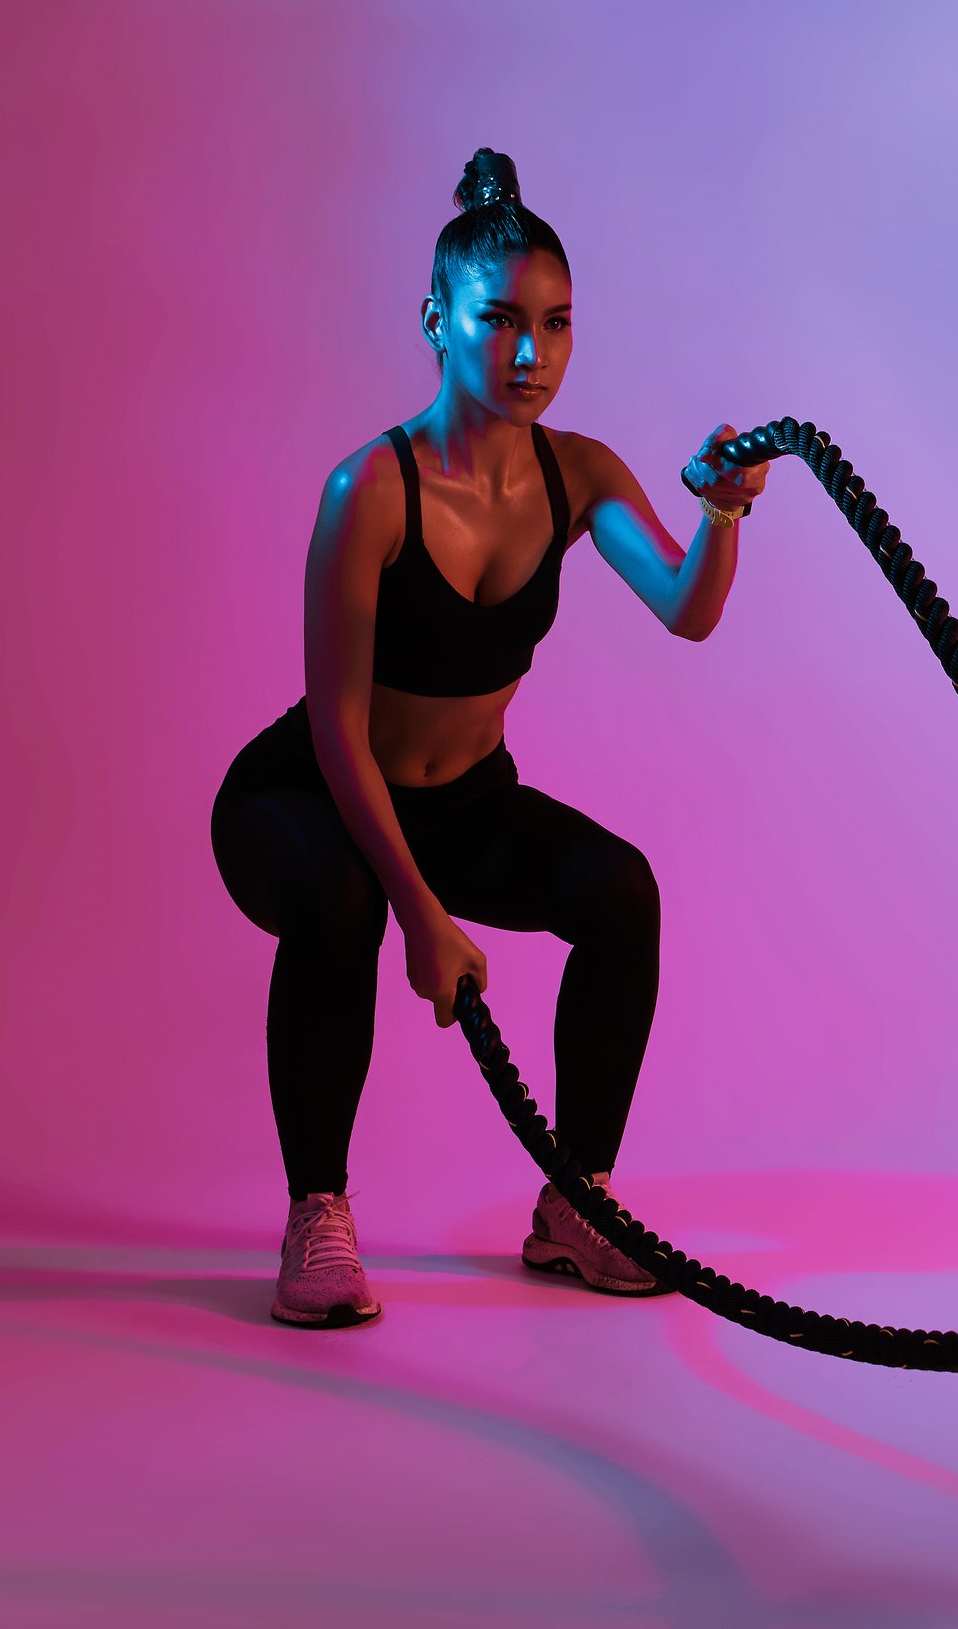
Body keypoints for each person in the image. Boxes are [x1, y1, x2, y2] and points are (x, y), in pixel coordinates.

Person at [209, 148, 765, 1328]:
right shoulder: (369, 489)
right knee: (349, 904)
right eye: (501, 321)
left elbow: (688, 609)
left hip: (463, 800)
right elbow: (337, 728)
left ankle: (577, 1204)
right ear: (435, 320)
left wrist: (721, 511)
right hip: (306, 795)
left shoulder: (578, 474)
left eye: (557, 326)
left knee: (619, 891)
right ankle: (319, 1215)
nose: (532, 355)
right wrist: (422, 913)